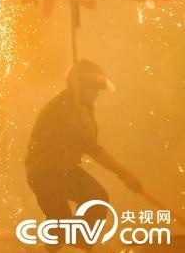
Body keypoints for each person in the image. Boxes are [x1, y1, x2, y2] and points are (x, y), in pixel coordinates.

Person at [25, 59, 141, 249]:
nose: (96, 94)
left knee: (96, 199)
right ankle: (65, 242)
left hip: (65, 170)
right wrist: (124, 174)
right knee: (60, 224)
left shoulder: (82, 108)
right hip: (44, 172)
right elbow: (92, 148)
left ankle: (78, 243)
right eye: (93, 89)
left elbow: (89, 144)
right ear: (81, 85)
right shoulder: (65, 109)